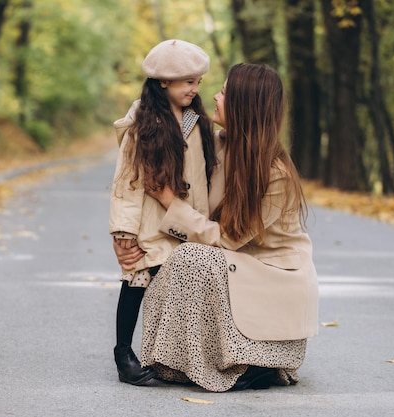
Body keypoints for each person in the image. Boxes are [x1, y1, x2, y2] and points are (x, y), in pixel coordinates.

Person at [114, 63, 319, 392]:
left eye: (223, 92)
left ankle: (248, 359)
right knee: (173, 255)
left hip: (273, 276)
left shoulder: (275, 171)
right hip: (237, 264)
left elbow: (227, 240)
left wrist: (170, 202)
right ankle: (179, 359)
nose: (212, 95)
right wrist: (128, 238)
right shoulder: (216, 142)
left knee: (191, 257)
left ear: (243, 105)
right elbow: (159, 124)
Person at [109, 39, 217, 386]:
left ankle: (179, 356)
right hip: (149, 224)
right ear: (163, 82)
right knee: (137, 282)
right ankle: (123, 353)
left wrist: (203, 221)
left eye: (198, 82)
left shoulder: (197, 122)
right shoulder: (144, 123)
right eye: (188, 81)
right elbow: (127, 181)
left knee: (183, 291)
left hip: (184, 220)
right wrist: (124, 232)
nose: (194, 89)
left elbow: (203, 175)